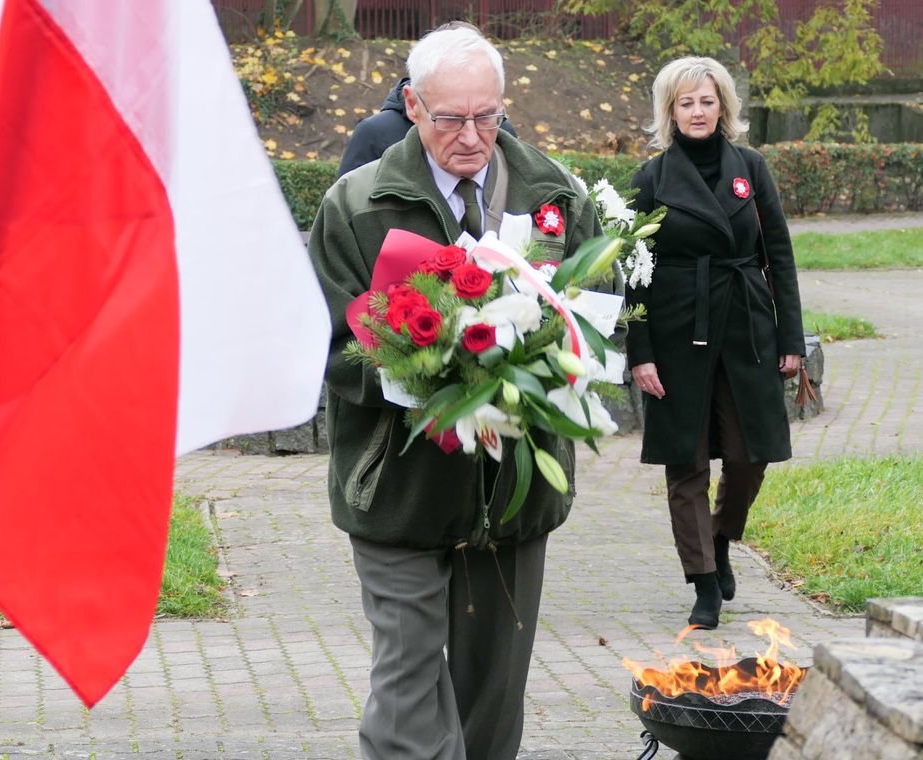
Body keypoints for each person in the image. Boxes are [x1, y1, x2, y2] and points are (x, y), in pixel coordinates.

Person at [308, 26, 615, 760]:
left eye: (488, 116)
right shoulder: (358, 204)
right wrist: (420, 374)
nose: (472, 136)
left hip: (511, 499)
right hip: (399, 492)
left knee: (491, 713)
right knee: (409, 712)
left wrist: (546, 367)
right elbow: (326, 345)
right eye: (450, 118)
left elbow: (595, 319)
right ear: (413, 106)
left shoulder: (555, 198)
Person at [627, 56, 806, 630]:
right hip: (677, 327)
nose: (697, 111)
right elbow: (634, 272)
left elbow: (779, 254)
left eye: (707, 101)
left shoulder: (751, 167)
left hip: (746, 326)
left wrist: (791, 336)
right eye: (686, 103)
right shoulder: (650, 179)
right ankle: (703, 581)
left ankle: (723, 537)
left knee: (751, 455)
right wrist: (641, 351)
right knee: (686, 461)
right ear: (670, 112)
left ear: (722, 107)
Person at [336, 22, 516, 178]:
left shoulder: (503, 132)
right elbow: (349, 204)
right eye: (451, 119)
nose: (470, 139)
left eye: (484, 117)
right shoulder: (374, 133)